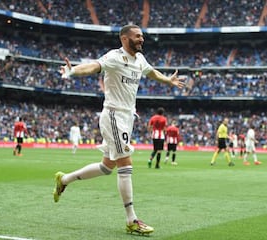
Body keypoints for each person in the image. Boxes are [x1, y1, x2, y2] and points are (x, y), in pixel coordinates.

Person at [53, 24, 186, 235]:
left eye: (142, 36)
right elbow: (94, 66)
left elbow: (151, 72)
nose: (142, 39)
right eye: (137, 36)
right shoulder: (114, 57)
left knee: (107, 167)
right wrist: (73, 71)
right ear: (125, 39)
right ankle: (131, 219)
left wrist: (167, 80)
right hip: (114, 115)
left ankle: (64, 179)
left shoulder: (139, 60)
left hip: (127, 117)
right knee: (126, 164)